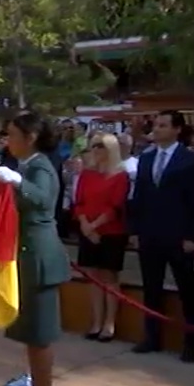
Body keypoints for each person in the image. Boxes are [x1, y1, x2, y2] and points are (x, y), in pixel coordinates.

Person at [0, 112, 70, 386]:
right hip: (28, 255)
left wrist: (18, 181)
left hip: (40, 258)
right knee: (34, 336)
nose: (7, 140)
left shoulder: (40, 167)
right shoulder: (26, 165)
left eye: (12, 134)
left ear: (30, 137)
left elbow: (42, 199)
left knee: (40, 337)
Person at [129, 110, 194, 363]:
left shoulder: (190, 160)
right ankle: (152, 337)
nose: (156, 129)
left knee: (187, 290)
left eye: (162, 125)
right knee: (151, 288)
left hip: (180, 236)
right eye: (156, 125)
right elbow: (139, 198)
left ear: (177, 129)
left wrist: (193, 236)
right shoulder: (146, 160)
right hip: (150, 234)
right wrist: (135, 230)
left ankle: (193, 342)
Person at [74, 133, 130, 342]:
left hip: (111, 233)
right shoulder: (87, 175)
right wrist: (85, 225)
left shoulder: (120, 175)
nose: (96, 151)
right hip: (88, 230)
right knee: (93, 278)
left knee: (109, 278)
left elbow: (115, 206)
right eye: (93, 147)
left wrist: (95, 226)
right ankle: (96, 322)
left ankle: (109, 323)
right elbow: (78, 202)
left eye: (101, 147)